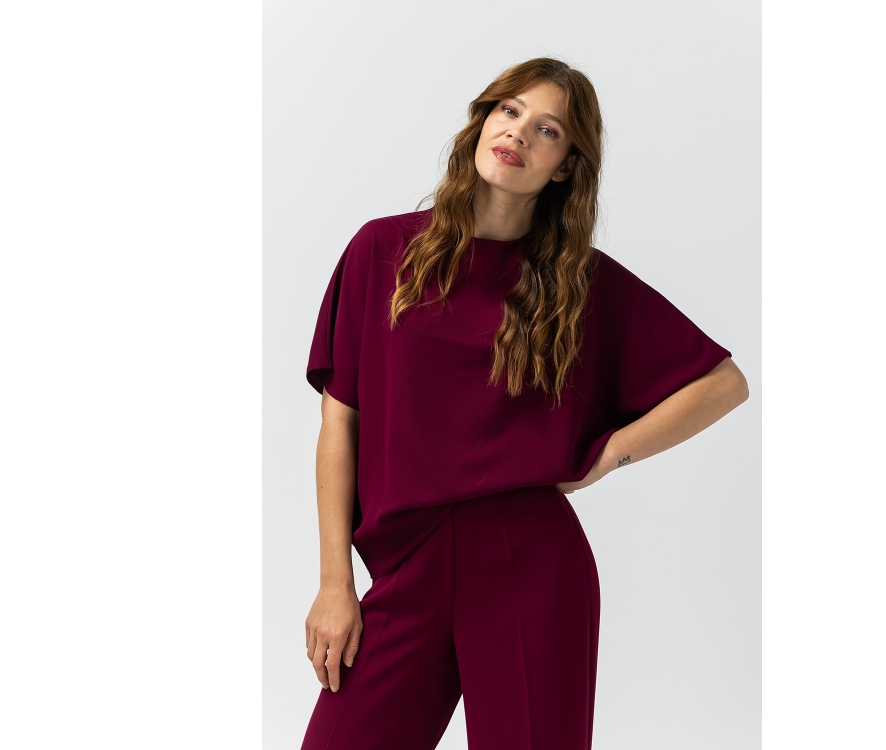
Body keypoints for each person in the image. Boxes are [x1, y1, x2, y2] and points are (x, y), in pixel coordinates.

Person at [299, 57, 749, 750]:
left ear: (565, 166)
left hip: (529, 560)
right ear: (482, 121)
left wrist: (606, 456)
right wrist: (335, 583)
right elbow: (341, 421)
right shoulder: (382, 250)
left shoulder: (578, 284)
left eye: (547, 129)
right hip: (406, 562)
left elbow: (722, 382)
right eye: (509, 111)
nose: (517, 132)